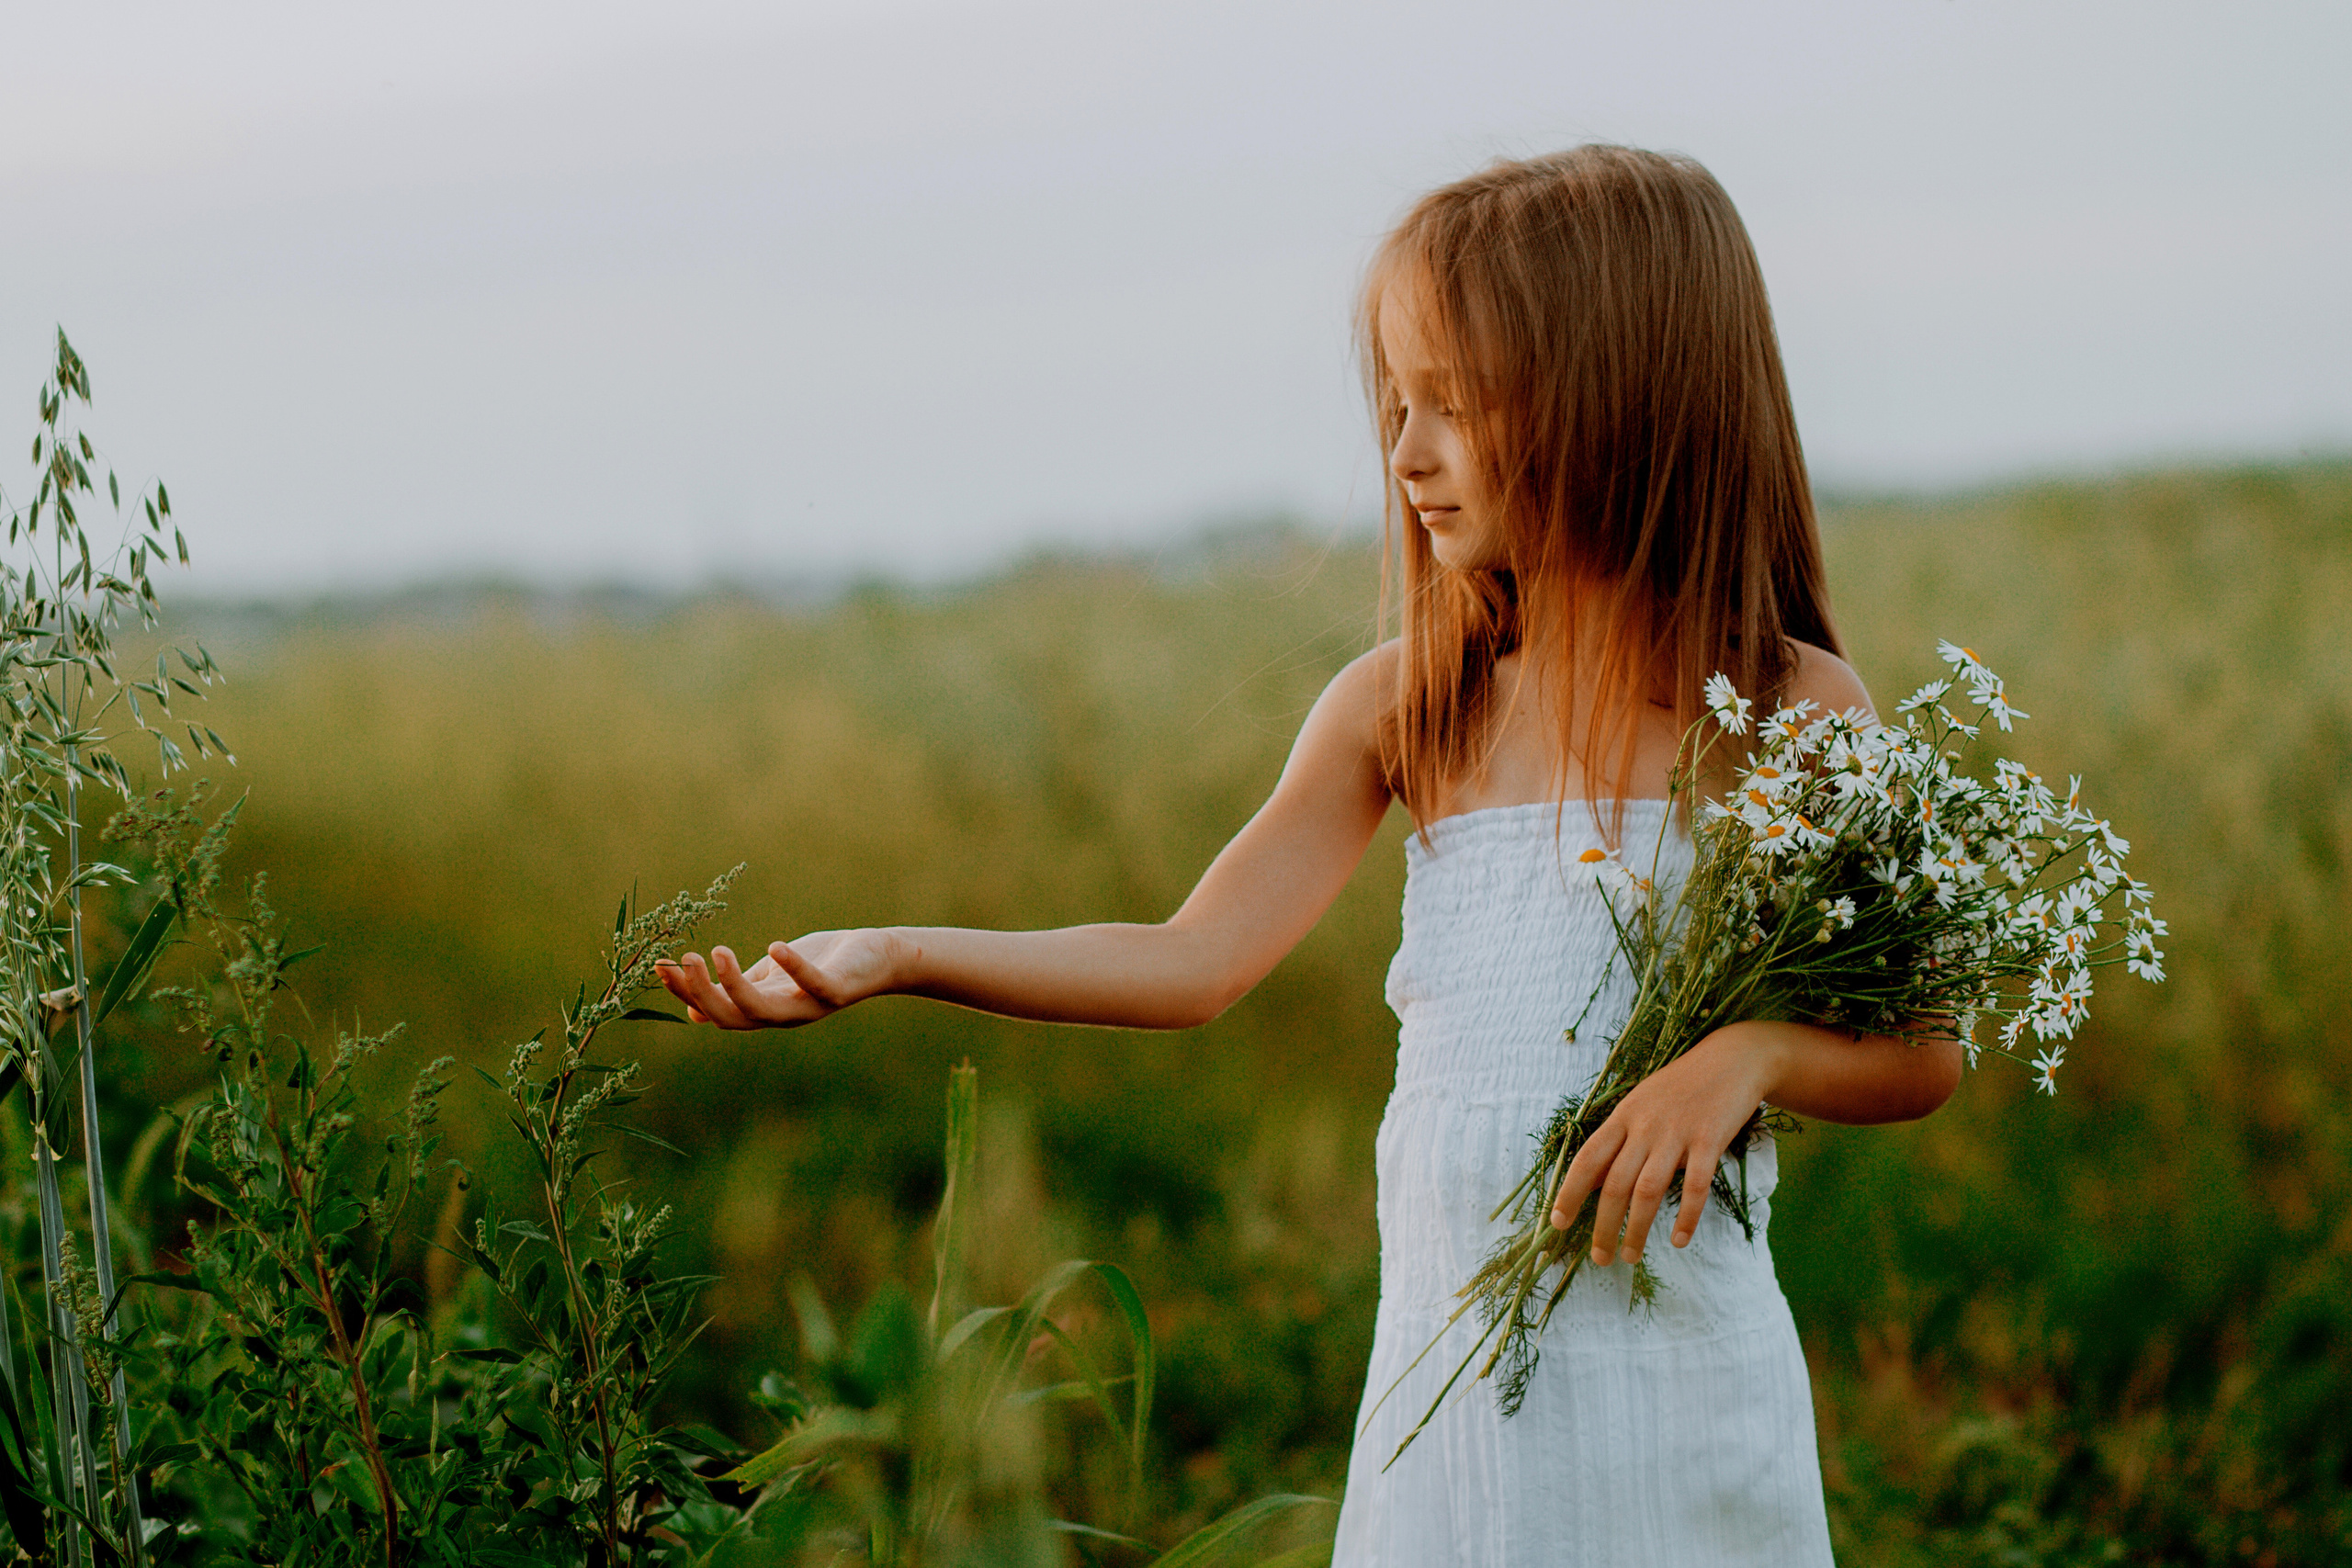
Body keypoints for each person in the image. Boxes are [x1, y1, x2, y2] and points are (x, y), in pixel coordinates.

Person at [658, 144, 1962, 1566]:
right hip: (1452, 1411)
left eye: (1456, 404)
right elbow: (1190, 960)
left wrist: (1748, 1058)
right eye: (1398, 404)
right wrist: (898, 954)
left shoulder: (1791, 712)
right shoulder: (1407, 708)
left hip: (1684, 1403)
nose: (1405, 455)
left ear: (1623, 397)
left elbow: (1922, 1053)